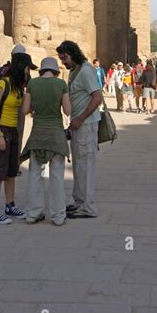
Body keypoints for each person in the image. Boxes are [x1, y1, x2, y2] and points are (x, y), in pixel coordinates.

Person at [0, 52, 36, 224]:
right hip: (1, 130)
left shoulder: (18, 87)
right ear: (20, 67)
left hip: (13, 131)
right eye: (28, 68)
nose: (28, 72)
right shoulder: (3, 84)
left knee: (11, 172)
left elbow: (23, 110)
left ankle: (10, 205)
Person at [21, 57, 71, 226]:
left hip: (38, 135)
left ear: (41, 70)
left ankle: (32, 213)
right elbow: (67, 110)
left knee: (35, 174)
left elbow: (25, 110)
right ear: (55, 70)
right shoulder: (61, 84)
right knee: (57, 176)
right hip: (56, 135)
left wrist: (36, 104)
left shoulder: (32, 84)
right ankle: (58, 215)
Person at [57, 40, 103, 219]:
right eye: (61, 58)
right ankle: (79, 201)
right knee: (79, 165)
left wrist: (81, 118)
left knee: (86, 166)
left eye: (65, 57)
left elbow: (97, 97)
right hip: (78, 124)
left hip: (86, 124)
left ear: (73, 54)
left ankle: (88, 207)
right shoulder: (75, 71)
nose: (63, 62)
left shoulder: (85, 70)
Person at [0, 43, 29, 175]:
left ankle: (11, 164)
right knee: (17, 135)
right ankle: (14, 164)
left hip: (6, 105)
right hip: (14, 104)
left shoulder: (3, 69)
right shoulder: (23, 70)